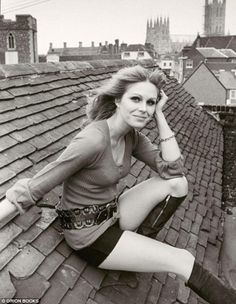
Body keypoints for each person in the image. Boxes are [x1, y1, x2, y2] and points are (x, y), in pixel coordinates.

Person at [1, 65, 235, 303]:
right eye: (135, 99)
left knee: (178, 184)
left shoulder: (130, 136)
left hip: (112, 214)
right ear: (117, 100)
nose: (144, 109)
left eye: (150, 103)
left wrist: (161, 116)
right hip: (89, 234)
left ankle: (137, 250)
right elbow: (36, 186)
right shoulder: (92, 140)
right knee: (182, 259)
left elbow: (173, 169)